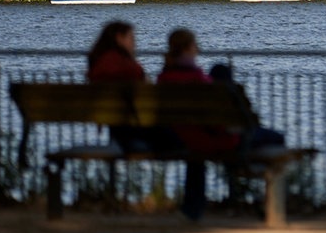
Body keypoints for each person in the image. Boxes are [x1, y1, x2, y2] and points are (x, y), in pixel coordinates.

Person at [159, 29, 284, 220]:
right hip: (215, 139)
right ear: (187, 49)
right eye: (195, 45)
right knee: (275, 138)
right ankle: (265, 199)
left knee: (197, 154)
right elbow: (217, 121)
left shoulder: (164, 78)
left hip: (181, 136)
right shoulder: (197, 79)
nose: (197, 49)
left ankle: (195, 208)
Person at [87, 22, 179, 154]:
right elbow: (151, 96)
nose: (135, 43)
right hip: (138, 129)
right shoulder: (128, 67)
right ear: (119, 38)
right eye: (131, 38)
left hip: (116, 131)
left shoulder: (97, 64)